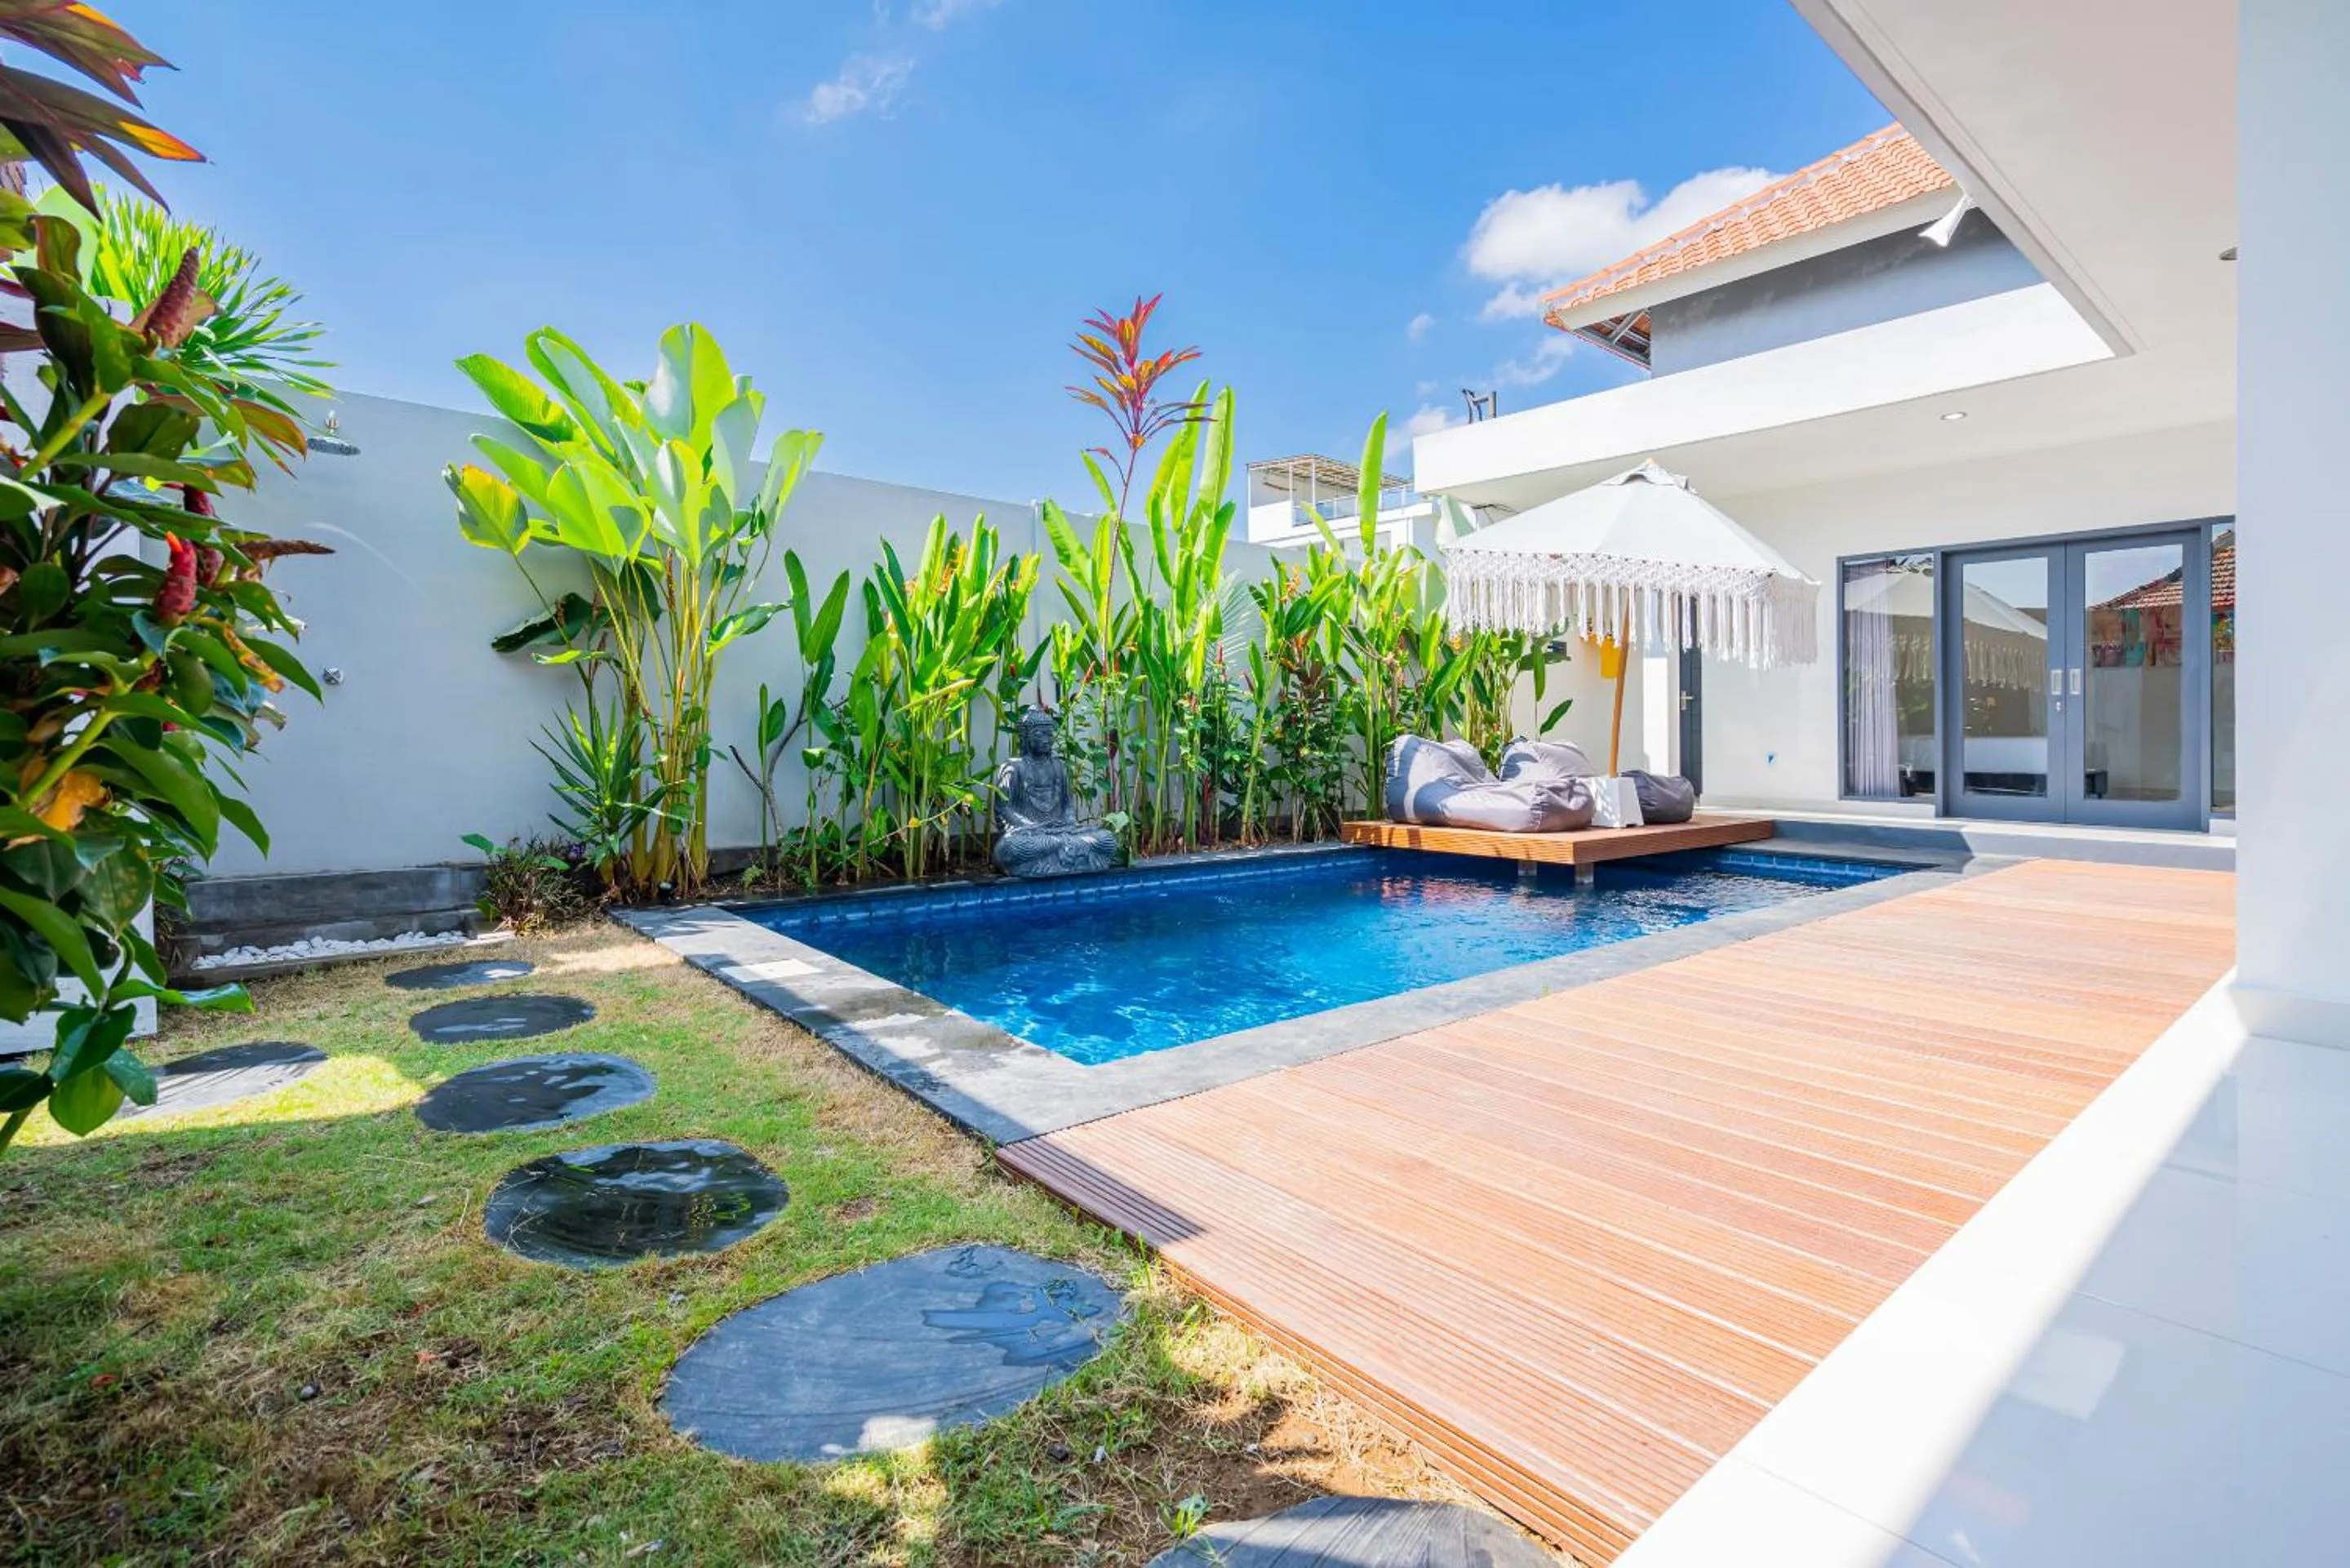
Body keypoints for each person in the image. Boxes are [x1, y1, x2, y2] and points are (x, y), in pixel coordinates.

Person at [993, 708, 1118, 877]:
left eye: (1049, 735)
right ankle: (1072, 854)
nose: (1046, 740)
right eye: (1039, 735)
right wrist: (1029, 826)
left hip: (1062, 831)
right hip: (1030, 834)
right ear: (1024, 738)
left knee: (1107, 839)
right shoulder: (1013, 768)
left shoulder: (1059, 766)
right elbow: (1003, 809)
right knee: (1011, 848)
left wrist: (1069, 823)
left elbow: (1067, 805)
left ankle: (1055, 855)